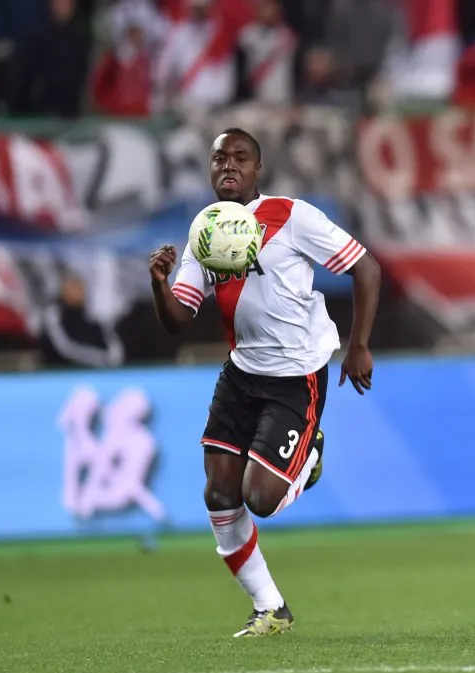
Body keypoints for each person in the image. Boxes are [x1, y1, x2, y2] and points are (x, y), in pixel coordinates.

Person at [148, 127, 381, 638]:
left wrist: (359, 345)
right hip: (240, 373)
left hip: (296, 378)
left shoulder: (293, 217)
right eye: (218, 159)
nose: (227, 166)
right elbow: (180, 316)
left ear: (258, 169)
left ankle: (309, 453)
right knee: (218, 493)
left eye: (239, 158)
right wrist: (160, 284)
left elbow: (366, 268)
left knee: (262, 499)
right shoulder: (206, 229)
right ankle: (270, 608)